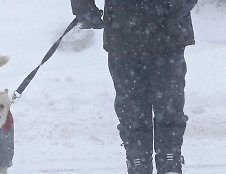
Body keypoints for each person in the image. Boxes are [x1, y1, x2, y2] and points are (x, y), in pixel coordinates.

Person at [70, 0, 198, 174]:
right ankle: (140, 161)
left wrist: (173, 7)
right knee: (135, 106)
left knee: (166, 103)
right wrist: (84, 9)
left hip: (162, 31)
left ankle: (167, 160)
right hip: (128, 31)